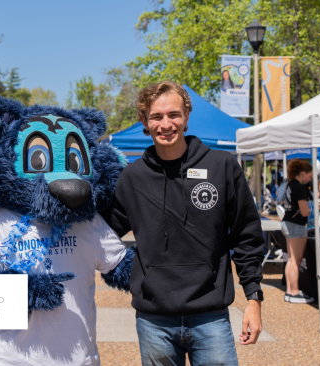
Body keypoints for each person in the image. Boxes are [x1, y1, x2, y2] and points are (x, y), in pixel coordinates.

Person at [102, 81, 265, 365]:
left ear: (187, 116)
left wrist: (254, 298)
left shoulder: (222, 167)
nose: (166, 124)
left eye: (173, 114)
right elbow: (103, 233)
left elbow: (246, 235)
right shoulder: (133, 177)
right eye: (156, 116)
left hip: (211, 316)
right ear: (144, 120)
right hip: (154, 319)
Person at [281, 160, 320, 304]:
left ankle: (289, 291)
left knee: (290, 259)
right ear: (303, 174)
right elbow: (305, 211)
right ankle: (294, 291)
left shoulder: (289, 184)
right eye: (310, 176)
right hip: (296, 225)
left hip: (287, 222)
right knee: (295, 260)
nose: (311, 179)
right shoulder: (300, 187)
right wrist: (316, 208)